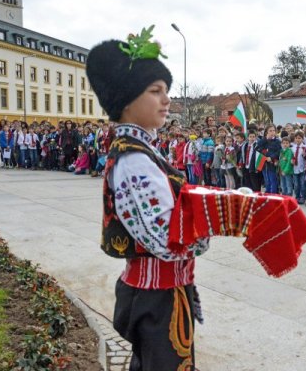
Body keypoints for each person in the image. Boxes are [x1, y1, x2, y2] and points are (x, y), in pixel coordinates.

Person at [86, 27, 208, 370]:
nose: (166, 99)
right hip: (157, 296)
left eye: (166, 90)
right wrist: (211, 224)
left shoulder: (143, 151)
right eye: (155, 90)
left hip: (161, 290)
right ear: (126, 101)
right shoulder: (134, 158)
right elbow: (164, 239)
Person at [256, 124, 281, 194]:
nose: (272, 132)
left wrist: (271, 157)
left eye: (273, 131)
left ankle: (273, 194)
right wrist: (265, 139)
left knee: (273, 179)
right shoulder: (264, 140)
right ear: (266, 132)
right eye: (270, 131)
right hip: (264, 163)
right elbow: (258, 147)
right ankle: (268, 192)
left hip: (272, 163)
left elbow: (279, 151)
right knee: (267, 180)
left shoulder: (277, 141)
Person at [291, 131, 306, 204]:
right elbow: (291, 157)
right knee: (296, 185)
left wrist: (305, 155)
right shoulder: (292, 148)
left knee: (303, 184)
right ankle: (297, 197)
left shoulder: (305, 147)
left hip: (302, 168)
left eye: (299, 138)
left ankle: (303, 197)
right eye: (296, 138)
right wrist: (291, 160)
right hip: (295, 168)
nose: (298, 140)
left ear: (302, 139)